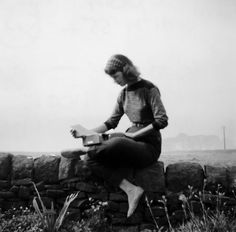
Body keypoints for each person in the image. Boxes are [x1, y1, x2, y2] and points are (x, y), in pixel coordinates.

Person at [62, 54, 168, 217]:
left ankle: (85, 149)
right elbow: (110, 122)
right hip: (128, 140)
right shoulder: (123, 94)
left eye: (116, 76)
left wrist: (134, 136)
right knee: (91, 160)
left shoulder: (149, 89)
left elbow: (162, 120)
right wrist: (85, 132)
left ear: (126, 70)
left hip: (148, 146)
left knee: (117, 141)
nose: (115, 81)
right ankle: (131, 189)